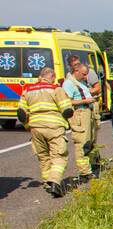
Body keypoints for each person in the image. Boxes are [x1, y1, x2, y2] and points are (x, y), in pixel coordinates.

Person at [17, 67, 73, 197]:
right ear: (52, 77)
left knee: (43, 156)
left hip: (36, 128)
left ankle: (47, 182)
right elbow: (67, 110)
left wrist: (28, 126)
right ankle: (54, 181)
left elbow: (21, 113)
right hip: (54, 127)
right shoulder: (56, 89)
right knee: (59, 156)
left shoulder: (27, 90)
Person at [62, 63, 101, 180]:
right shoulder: (68, 83)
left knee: (90, 141)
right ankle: (84, 172)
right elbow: (67, 102)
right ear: (76, 71)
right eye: (84, 74)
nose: (85, 77)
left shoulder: (80, 82)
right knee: (82, 143)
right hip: (79, 114)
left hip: (88, 113)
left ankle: (93, 164)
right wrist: (85, 101)